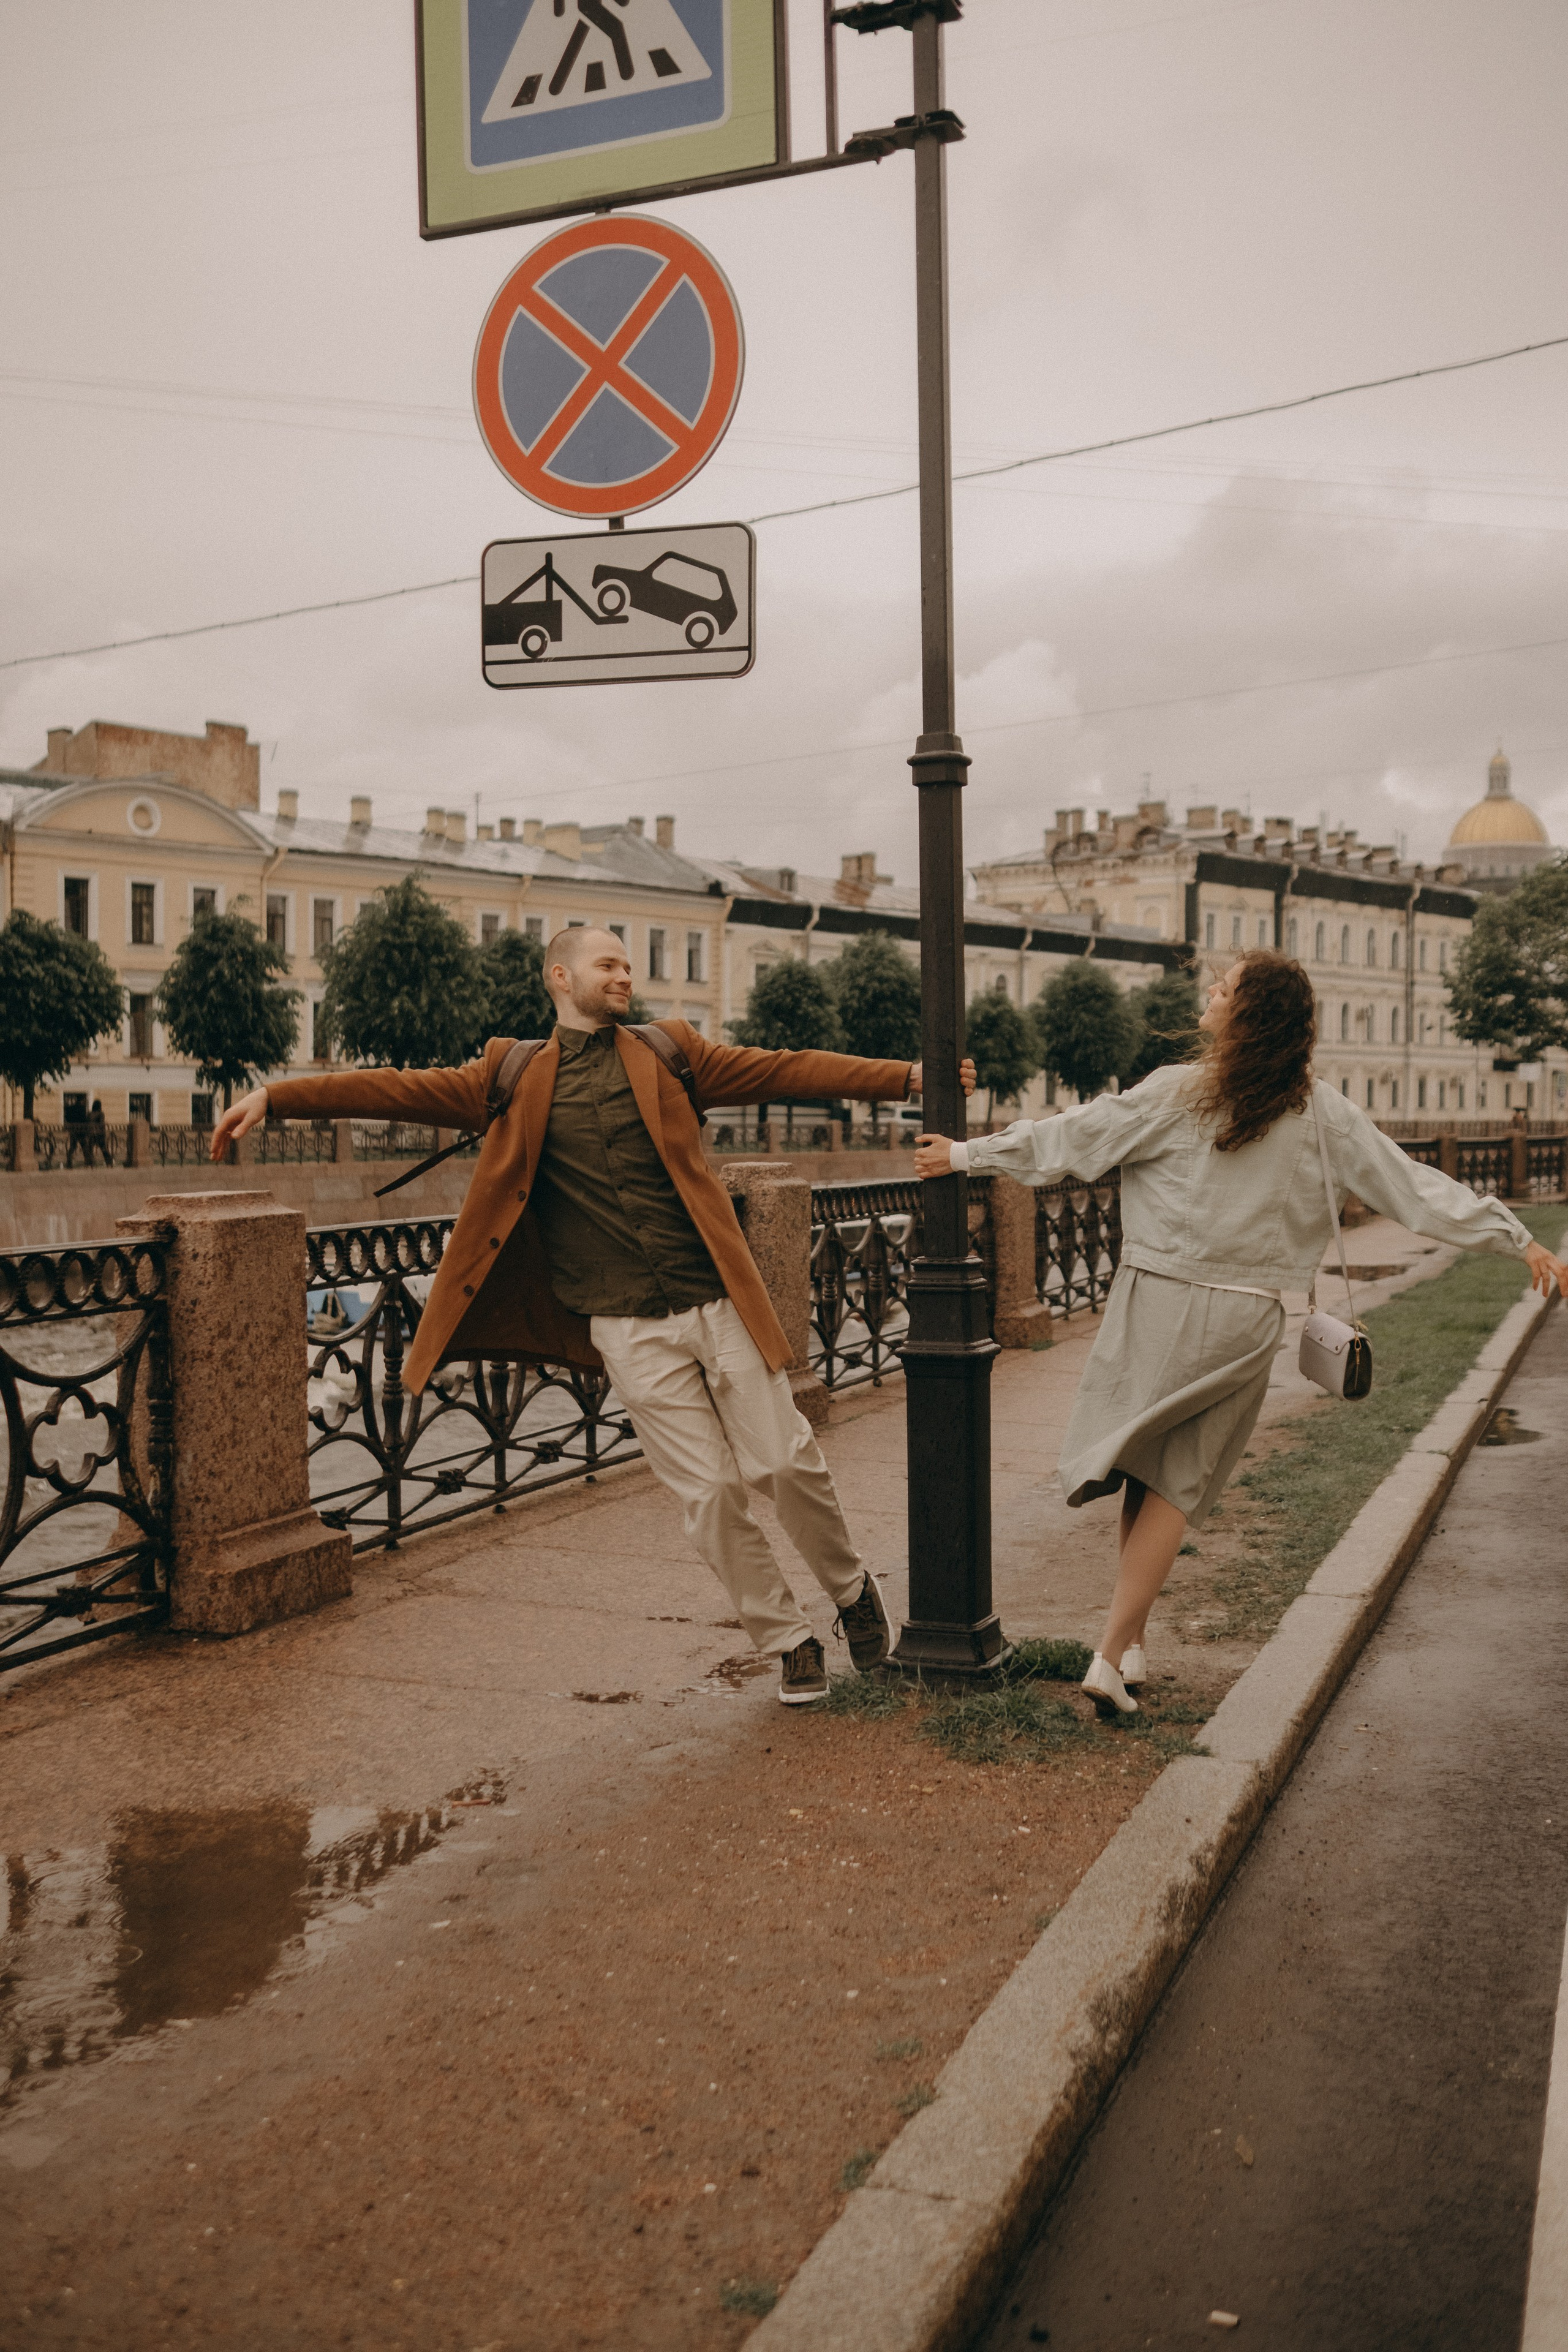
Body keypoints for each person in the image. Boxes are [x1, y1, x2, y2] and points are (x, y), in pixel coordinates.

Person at [212, 927, 974, 1706]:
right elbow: (392, 1088)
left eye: (625, 964)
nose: (623, 976)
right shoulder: (510, 1073)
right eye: (606, 965)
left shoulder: (668, 1051)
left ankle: (850, 1592)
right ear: (559, 977)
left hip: (716, 1299)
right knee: (708, 1496)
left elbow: (784, 1067)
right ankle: (786, 1639)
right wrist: (278, 1096)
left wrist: (910, 1076)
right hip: (624, 1327)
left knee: (782, 1462)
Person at [914, 949, 1568, 1718]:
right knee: (1174, 1481)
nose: (1210, 993)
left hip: (1153, 1301)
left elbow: (1078, 1138)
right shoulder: (1322, 1113)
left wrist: (965, 1154)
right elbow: (1411, 1187)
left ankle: (1118, 1646)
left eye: (1222, 989)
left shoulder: (1180, 1093)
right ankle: (1117, 1650)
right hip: (1242, 1315)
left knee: (1149, 1471)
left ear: (1246, 1015)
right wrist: (1512, 1234)